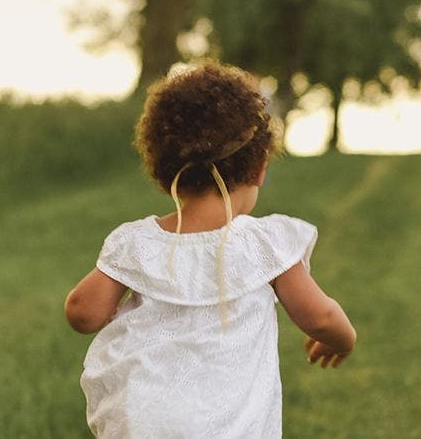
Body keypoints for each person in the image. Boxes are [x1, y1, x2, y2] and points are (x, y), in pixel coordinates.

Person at [64, 62, 357, 438]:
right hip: (231, 426)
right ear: (259, 168)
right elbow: (320, 317)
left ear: (164, 170)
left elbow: (82, 312)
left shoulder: (136, 243)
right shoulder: (263, 243)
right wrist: (342, 339)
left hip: (146, 420)